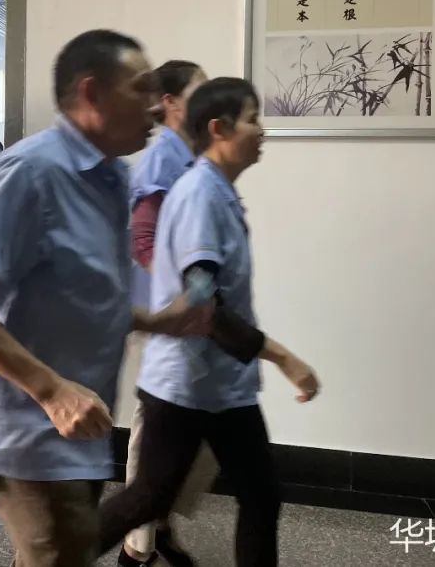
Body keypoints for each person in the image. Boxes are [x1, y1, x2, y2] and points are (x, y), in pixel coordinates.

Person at [0, 30, 213, 567]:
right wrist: (52, 391)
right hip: (24, 427)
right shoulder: (32, 173)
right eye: (141, 88)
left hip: (79, 425)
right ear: (92, 94)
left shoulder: (111, 176)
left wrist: (159, 321)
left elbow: (78, 294)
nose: (156, 105)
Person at [97, 78, 321, 567]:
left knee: (260, 494)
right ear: (219, 129)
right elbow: (205, 303)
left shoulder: (217, 190)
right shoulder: (200, 195)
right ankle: (49, 557)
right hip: (186, 384)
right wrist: (284, 358)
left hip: (222, 385)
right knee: (147, 499)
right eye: (253, 119)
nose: (262, 131)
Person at [120, 61, 212, 567]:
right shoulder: (161, 159)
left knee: (191, 422)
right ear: (172, 102)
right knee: (156, 420)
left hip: (191, 311)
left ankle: (157, 520)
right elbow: (144, 241)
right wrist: (184, 294)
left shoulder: (193, 156)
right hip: (164, 313)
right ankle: (137, 542)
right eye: (199, 90)